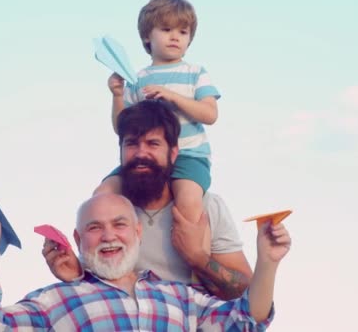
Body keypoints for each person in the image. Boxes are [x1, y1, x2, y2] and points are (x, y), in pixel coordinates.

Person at [0, 193, 292, 331]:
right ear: (78, 241)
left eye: (119, 224)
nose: (109, 236)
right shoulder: (55, 300)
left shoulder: (180, 298)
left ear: (137, 232)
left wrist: (268, 261)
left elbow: (246, 321)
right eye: (94, 228)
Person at [45, 100, 251, 300]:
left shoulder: (207, 207)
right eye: (132, 144)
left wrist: (198, 257)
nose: (141, 153)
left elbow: (246, 294)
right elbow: (96, 293)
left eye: (153, 144)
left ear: (173, 153)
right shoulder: (104, 216)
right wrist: (74, 275)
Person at [95, 0, 219, 255]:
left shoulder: (195, 73)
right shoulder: (137, 79)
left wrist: (173, 96)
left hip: (189, 155)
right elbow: (122, 128)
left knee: (188, 202)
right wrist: (117, 96)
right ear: (147, 38)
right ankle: (114, 256)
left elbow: (210, 114)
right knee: (103, 192)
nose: (175, 37)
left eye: (183, 32)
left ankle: (197, 266)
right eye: (166, 29)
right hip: (145, 157)